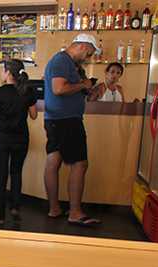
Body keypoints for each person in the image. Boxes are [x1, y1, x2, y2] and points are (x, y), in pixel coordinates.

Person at [43, 33, 101, 226]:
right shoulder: (62, 61)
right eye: (90, 54)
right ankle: (75, 212)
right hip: (66, 120)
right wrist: (83, 84)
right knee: (80, 164)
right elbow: (59, 89)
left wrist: (90, 89)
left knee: (54, 160)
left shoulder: (69, 64)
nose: (89, 58)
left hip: (56, 119)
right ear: (83, 46)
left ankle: (54, 209)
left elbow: (72, 90)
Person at [0, 60, 37, 225]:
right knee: (16, 173)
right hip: (21, 138)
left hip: (2, 139)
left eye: (3, 71)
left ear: (8, 73)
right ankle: (15, 207)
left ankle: (0, 215)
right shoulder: (28, 91)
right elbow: (34, 116)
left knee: (1, 175)